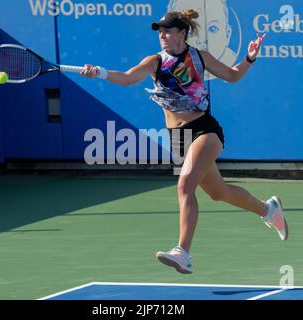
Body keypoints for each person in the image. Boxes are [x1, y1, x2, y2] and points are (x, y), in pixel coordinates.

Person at [80, 9, 288, 274]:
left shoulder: (199, 57)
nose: (163, 35)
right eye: (160, 31)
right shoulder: (155, 61)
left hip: (204, 129)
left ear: (183, 33)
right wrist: (99, 72)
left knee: (185, 186)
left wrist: (249, 57)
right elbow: (129, 76)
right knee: (218, 192)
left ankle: (183, 253)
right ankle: (269, 210)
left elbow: (233, 75)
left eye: (168, 31)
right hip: (178, 138)